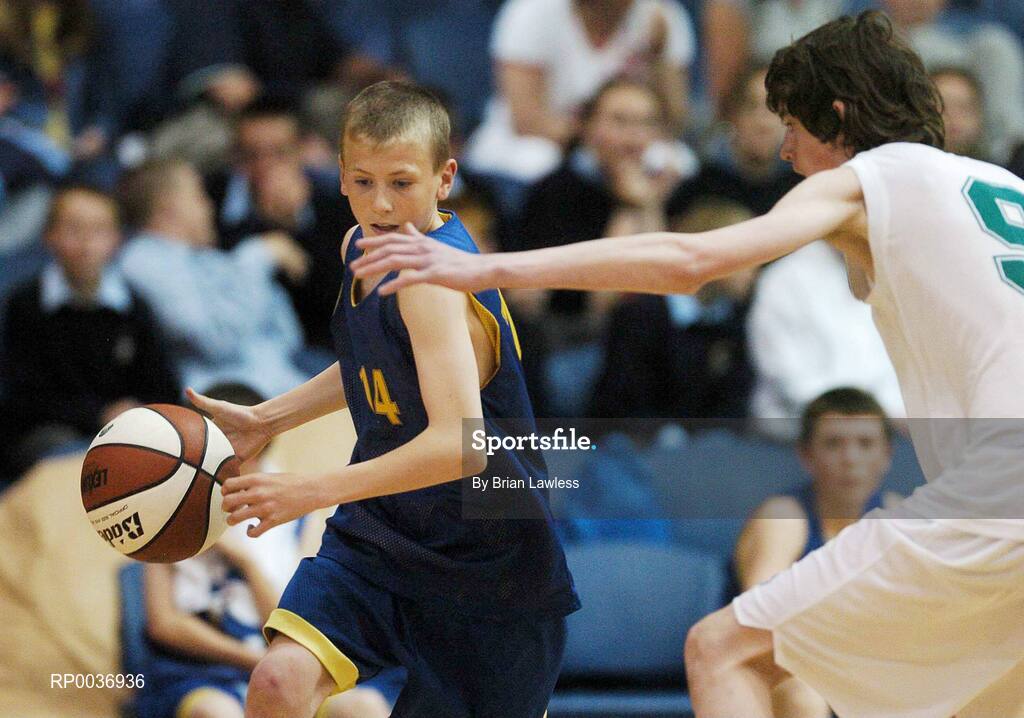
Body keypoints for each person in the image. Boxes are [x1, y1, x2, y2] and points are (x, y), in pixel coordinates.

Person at [351, 12, 1024, 716]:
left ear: (839, 114)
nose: (787, 150)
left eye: (793, 124)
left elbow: (690, 261)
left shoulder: (868, 176)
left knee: (720, 649)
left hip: (999, 489)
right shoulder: (996, 184)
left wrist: (480, 266)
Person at [188, 81, 579, 718]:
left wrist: (310, 489)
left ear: (443, 178)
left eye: (401, 182)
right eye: (364, 182)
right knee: (278, 684)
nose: (382, 203)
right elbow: (377, 363)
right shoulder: (358, 248)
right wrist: (268, 417)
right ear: (339, 177)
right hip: (383, 534)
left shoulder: (430, 280)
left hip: (490, 563)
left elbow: (463, 449)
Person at [134, 383, 393, 718]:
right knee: (218, 713)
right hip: (202, 672)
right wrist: (255, 661)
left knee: (363, 707)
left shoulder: (303, 508)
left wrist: (244, 562)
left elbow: (300, 619)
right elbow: (164, 625)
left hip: (290, 657)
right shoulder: (165, 510)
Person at [734, 387, 898, 718]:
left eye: (865, 444)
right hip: (770, 665)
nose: (850, 458)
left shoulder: (898, 516)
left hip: (859, 662)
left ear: (887, 455)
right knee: (801, 693)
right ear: (806, 455)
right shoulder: (783, 516)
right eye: (834, 444)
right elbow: (762, 624)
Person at [0, 185, 179, 477]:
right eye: (73, 229)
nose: (86, 243)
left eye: (99, 230)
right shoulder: (26, 304)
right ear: (49, 236)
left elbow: (163, 386)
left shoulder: (133, 304)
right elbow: (23, 399)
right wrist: (100, 415)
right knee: (71, 459)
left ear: (116, 240)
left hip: (128, 432)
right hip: (52, 436)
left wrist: (137, 413)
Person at [118, 158, 312, 399]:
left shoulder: (204, 256)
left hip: (282, 377)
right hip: (230, 399)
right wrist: (258, 256)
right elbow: (217, 340)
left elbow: (287, 333)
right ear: (170, 209)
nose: (209, 207)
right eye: (199, 196)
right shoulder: (144, 260)